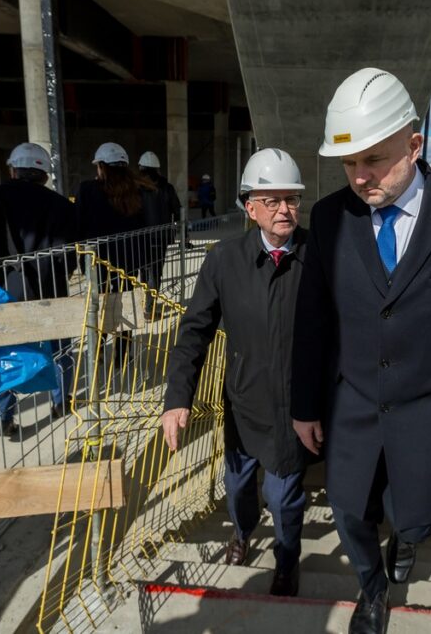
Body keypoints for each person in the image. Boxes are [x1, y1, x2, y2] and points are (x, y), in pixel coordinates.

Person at [290, 68, 431, 633]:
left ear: (414, 146)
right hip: (353, 403)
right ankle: (372, 590)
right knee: (348, 510)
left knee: (411, 516)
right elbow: (313, 322)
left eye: (374, 160)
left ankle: (407, 543)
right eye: (349, 164)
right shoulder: (330, 218)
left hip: (429, 406)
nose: (361, 178)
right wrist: (304, 404)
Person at [163, 148, 310, 597]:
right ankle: (243, 533)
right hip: (243, 403)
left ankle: (287, 560)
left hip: (295, 408)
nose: (284, 209)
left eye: (292, 199)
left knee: (284, 498)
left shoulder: (318, 256)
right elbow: (194, 331)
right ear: (250, 208)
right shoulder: (225, 260)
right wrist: (177, 398)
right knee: (239, 486)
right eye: (272, 200)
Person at [0, 142, 77, 437]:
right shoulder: (61, 205)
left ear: (13, 170)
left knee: (4, 354)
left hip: (2, 289)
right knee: (61, 349)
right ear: (45, 175)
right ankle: (62, 402)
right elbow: (70, 254)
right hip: (50, 290)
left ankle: (3, 417)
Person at [76, 142, 159, 283]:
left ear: (101, 166)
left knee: (99, 297)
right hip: (130, 257)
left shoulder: (87, 189)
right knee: (127, 293)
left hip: (96, 257)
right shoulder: (140, 190)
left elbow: (78, 221)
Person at [138, 150, 181, 294]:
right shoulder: (167, 188)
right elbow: (177, 210)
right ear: (157, 169)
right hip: (161, 237)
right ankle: (151, 304)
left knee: (143, 269)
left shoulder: (136, 189)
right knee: (156, 271)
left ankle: (145, 299)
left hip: (140, 237)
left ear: (141, 168)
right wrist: (179, 231)